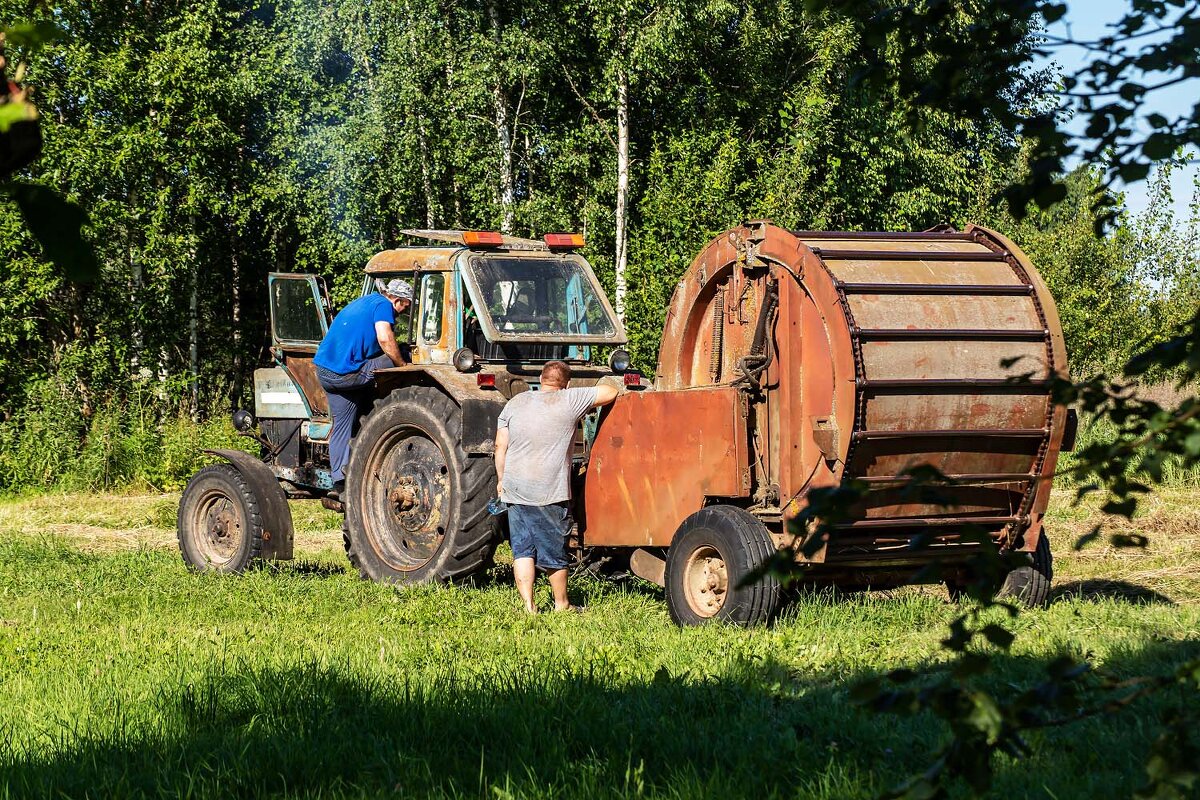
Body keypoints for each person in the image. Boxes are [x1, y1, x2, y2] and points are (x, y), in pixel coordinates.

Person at [494, 361, 619, 613]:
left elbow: (500, 446)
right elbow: (610, 392)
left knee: (522, 550)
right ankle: (562, 604)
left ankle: (529, 606)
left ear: (541, 379)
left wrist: (501, 479)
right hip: (547, 492)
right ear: (567, 384)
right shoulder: (569, 400)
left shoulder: (516, 402)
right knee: (554, 552)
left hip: (514, 488)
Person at [314, 277, 413, 499]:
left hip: (325, 371)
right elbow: (385, 338)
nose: (404, 312)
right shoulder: (384, 306)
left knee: (342, 425)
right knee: (403, 352)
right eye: (406, 306)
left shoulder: (366, 301)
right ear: (397, 300)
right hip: (345, 373)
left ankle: (339, 483)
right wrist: (402, 366)